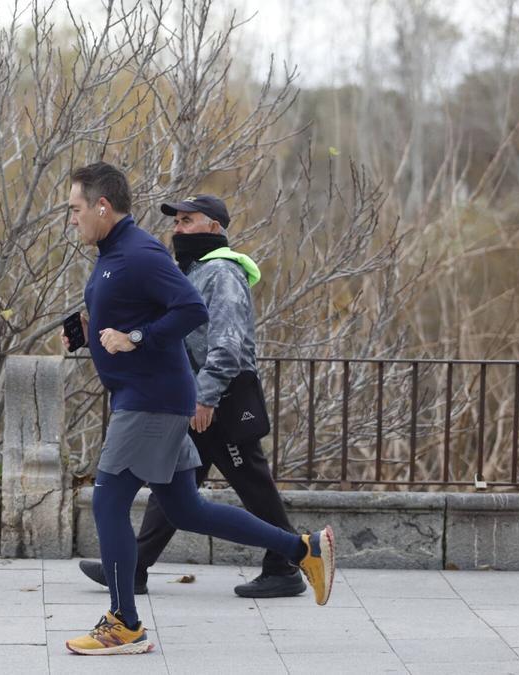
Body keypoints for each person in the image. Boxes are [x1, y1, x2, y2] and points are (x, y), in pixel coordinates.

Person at [59, 162, 335, 657]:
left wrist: (135, 339)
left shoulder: (142, 253)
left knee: (107, 501)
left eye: (75, 209)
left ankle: (124, 623)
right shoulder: (114, 254)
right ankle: (301, 550)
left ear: (102, 207)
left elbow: (190, 310)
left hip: (150, 400)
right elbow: (130, 313)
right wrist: (86, 335)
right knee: (186, 508)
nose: (70, 219)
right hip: (146, 396)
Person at [77, 194, 307, 599]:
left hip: (219, 397)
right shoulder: (192, 269)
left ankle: (288, 562)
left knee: (250, 482)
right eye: (176, 222)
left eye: (187, 221)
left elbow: (228, 343)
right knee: (176, 493)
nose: (177, 229)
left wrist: (207, 397)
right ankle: (134, 566)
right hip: (187, 395)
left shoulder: (222, 272)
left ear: (213, 228)